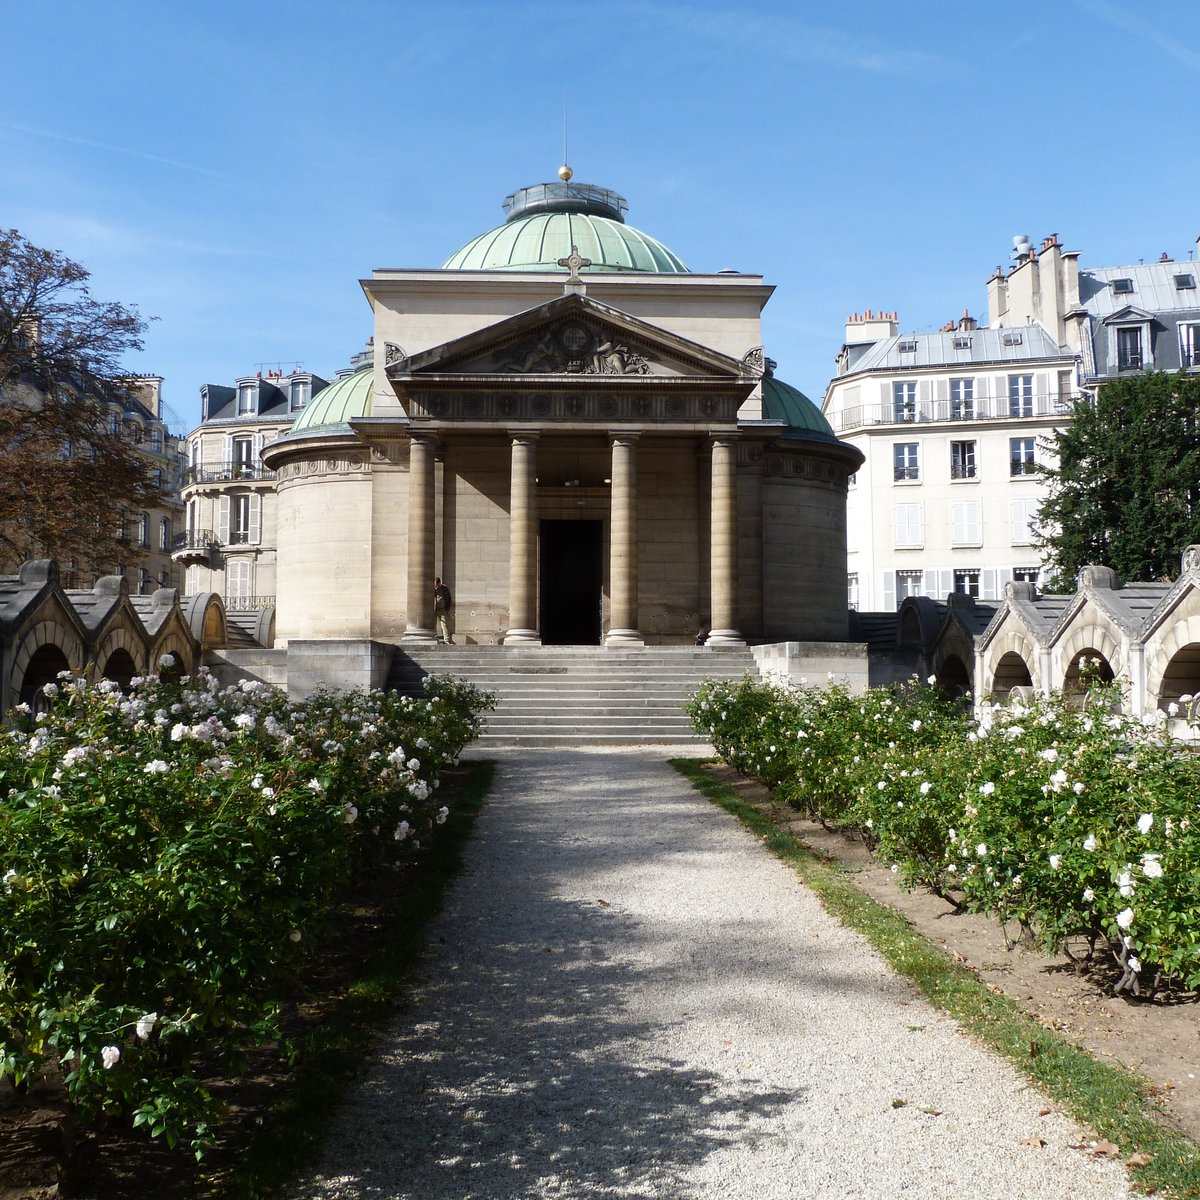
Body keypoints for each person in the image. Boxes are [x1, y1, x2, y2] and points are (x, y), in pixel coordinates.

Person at [433, 576, 453, 644]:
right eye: (435, 585)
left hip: (442, 610)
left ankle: (446, 640)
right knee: (432, 625)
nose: (436, 587)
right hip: (433, 609)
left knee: (444, 625)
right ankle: (433, 638)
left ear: (440, 583)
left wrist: (447, 609)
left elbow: (449, 599)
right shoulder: (432, 588)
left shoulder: (445, 588)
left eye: (437, 585)